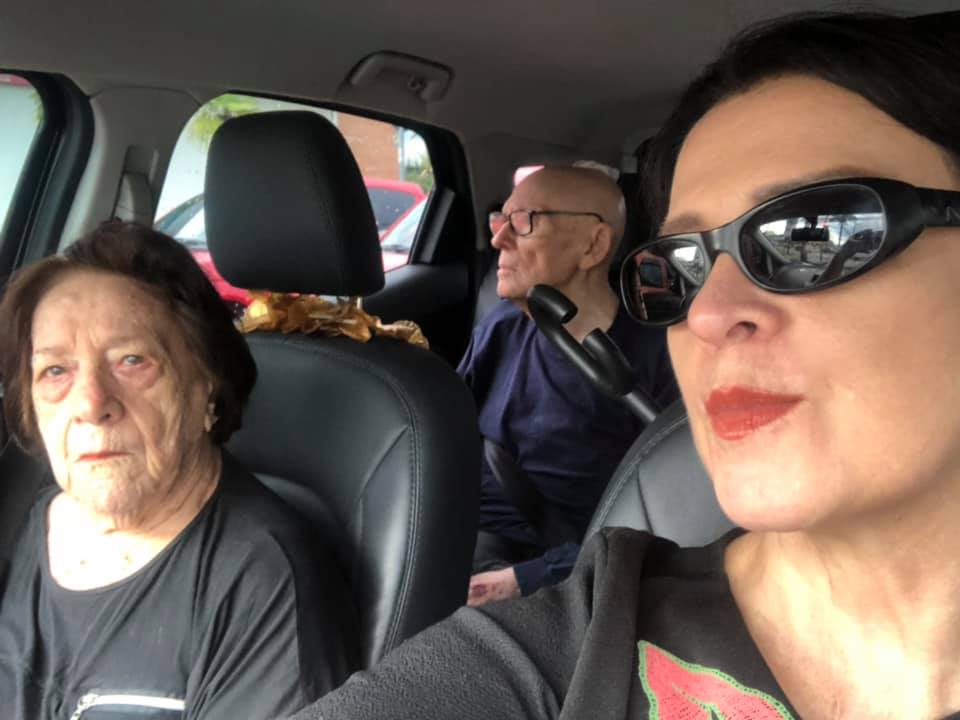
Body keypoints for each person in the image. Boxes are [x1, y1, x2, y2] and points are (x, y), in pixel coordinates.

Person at [289, 10, 960, 719]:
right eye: (684, 262)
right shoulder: (567, 644)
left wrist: (523, 576)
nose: (705, 314)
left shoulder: (648, 370)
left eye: (808, 235)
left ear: (594, 245)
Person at [0, 221, 356, 719]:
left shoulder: (261, 584)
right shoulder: (19, 511)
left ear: (206, 386)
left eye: (131, 360)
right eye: (55, 371)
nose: (90, 403)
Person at [459, 165, 679, 605]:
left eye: (524, 221)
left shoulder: (661, 358)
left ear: (593, 245)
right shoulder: (500, 327)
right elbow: (447, 433)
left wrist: (520, 580)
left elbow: (668, 520)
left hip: (565, 579)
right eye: (500, 219)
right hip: (457, 536)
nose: (498, 239)